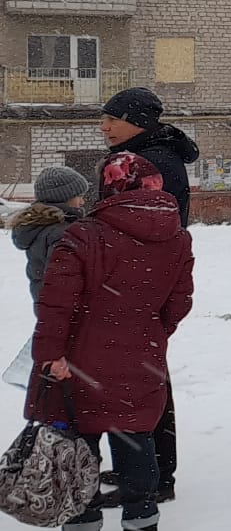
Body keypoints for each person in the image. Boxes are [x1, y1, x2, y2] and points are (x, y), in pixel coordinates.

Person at [32, 153, 193, 531]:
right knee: (135, 436)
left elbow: (56, 304)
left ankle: (83, 519)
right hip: (142, 355)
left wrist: (50, 354)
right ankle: (142, 516)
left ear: (109, 186)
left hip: (78, 357)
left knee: (78, 440)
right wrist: (149, 333)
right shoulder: (177, 237)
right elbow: (179, 302)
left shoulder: (82, 235)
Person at [99, 87, 197, 500]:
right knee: (139, 377)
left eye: (113, 119)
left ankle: (152, 476)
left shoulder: (152, 161)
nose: (104, 127)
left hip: (137, 284)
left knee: (139, 380)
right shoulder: (146, 153)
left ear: (137, 123)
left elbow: (152, 228)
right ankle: (144, 469)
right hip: (137, 281)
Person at [100, 87, 197, 227]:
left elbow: (130, 224)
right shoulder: (153, 154)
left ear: (140, 123)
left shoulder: (148, 163)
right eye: (103, 119)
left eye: (113, 119)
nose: (104, 127)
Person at [12, 166, 89, 301]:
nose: (83, 202)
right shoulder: (60, 233)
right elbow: (64, 283)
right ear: (64, 198)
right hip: (64, 307)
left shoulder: (42, 227)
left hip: (48, 305)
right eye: (79, 196)